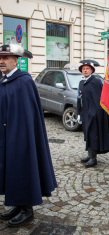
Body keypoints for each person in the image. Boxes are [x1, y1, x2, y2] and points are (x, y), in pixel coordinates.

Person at [0, 44, 57, 227]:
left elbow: (28, 114)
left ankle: (27, 210)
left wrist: (22, 136)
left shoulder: (24, 81)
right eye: (0, 58)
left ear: (15, 60)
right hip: (6, 135)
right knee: (11, 170)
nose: (2, 61)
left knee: (22, 168)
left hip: (22, 136)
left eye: (6, 58)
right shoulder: (4, 80)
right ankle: (17, 204)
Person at [77, 60, 109, 168]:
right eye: (83, 69)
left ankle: (93, 158)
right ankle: (90, 154)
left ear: (92, 70)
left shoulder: (95, 82)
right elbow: (79, 99)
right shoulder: (82, 83)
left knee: (93, 135)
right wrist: (79, 113)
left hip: (94, 114)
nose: (85, 70)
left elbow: (99, 100)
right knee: (87, 134)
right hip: (85, 113)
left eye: (87, 68)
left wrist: (95, 114)